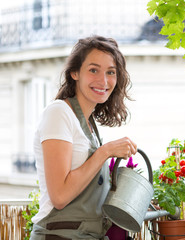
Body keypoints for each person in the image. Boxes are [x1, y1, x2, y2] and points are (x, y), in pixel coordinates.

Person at [30, 35, 137, 239]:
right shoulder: (59, 112)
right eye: (93, 70)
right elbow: (59, 196)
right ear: (74, 73)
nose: (103, 81)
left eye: (111, 72)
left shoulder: (90, 125)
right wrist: (105, 152)